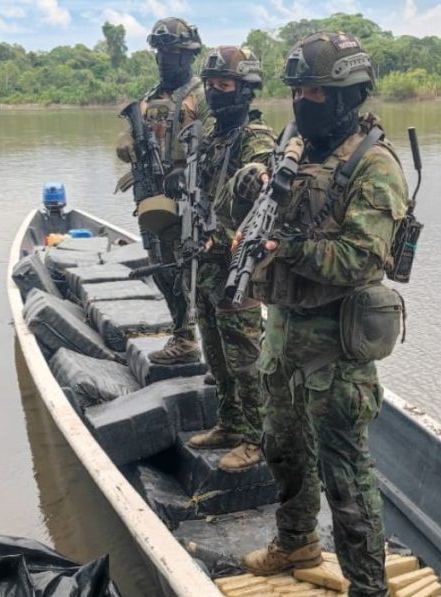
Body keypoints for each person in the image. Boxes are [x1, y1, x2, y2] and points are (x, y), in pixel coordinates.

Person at [234, 32, 410, 597]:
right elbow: (245, 222)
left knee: (347, 477)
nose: (305, 102)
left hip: (335, 345)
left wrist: (287, 244)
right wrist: (252, 189)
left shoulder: (375, 163)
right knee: (283, 446)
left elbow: (362, 258)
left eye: (318, 92)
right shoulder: (291, 145)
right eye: (298, 91)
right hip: (282, 330)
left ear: (351, 95)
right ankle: (297, 542)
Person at [184, 46, 276, 471]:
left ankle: (257, 440)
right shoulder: (211, 137)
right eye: (211, 85)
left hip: (237, 267)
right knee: (216, 355)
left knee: (246, 361)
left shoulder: (256, 140)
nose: (217, 93)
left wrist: (222, 239)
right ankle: (230, 423)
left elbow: (263, 203)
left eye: (225, 85)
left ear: (245, 90)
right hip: (205, 264)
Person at [116, 17, 208, 365]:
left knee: (193, 270)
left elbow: (219, 142)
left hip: (187, 198)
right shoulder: (148, 99)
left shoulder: (202, 95)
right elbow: (130, 136)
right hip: (150, 196)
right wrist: (125, 140)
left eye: (172, 51)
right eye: (160, 51)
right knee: (161, 266)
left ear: (188, 55)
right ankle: (183, 335)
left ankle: (200, 339)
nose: (165, 58)